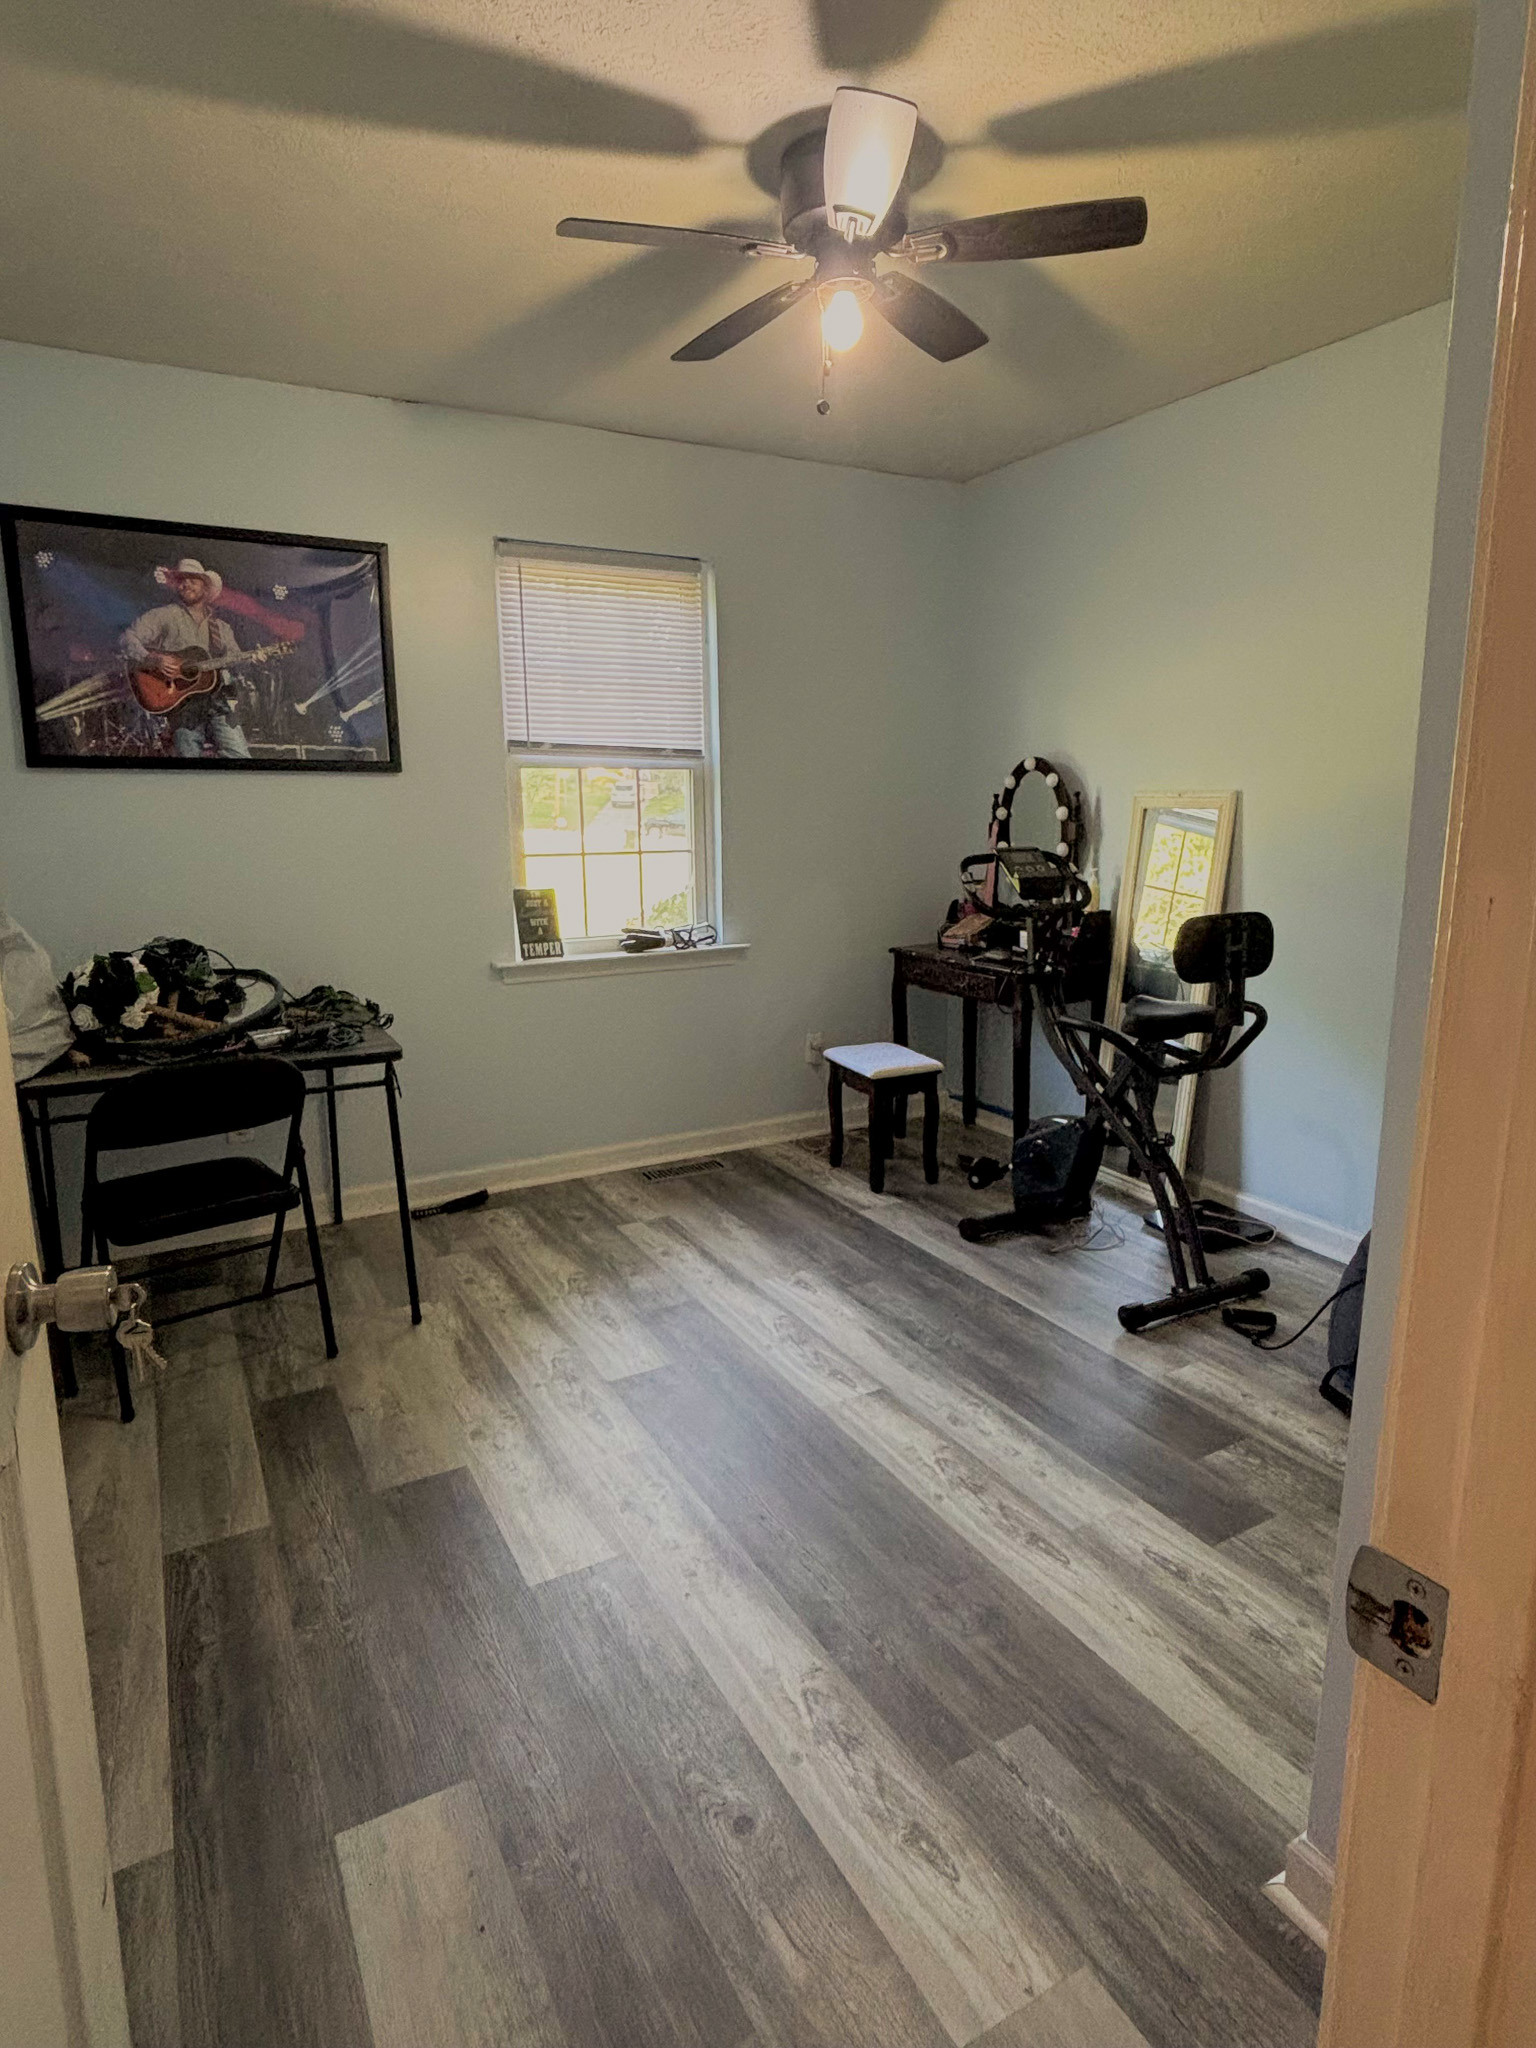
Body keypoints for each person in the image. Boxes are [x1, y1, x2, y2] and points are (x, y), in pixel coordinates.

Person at [121, 557, 251, 759]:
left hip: (217, 704)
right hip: (182, 707)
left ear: (205, 587)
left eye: (192, 580)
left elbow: (236, 661)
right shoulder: (165, 616)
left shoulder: (221, 627)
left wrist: (252, 659)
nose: (186, 584)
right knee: (189, 765)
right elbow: (127, 638)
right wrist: (153, 659)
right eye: (182, 580)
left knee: (239, 757)